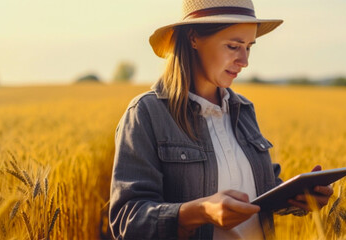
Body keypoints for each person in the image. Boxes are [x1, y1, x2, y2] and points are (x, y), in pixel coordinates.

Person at [109, 0, 333, 239]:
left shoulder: (244, 110)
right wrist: (199, 212)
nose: (244, 61)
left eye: (249, 47)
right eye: (233, 46)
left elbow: (261, 193)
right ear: (193, 38)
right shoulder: (146, 113)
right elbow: (126, 220)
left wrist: (300, 197)